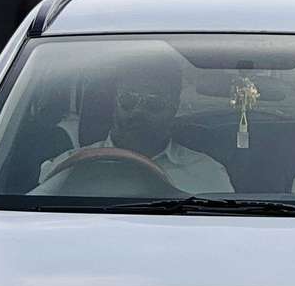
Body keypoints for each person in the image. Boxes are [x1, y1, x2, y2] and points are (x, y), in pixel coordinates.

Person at [40, 49, 233, 194]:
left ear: (174, 107)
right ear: (115, 102)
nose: (138, 111)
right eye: (128, 99)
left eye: (154, 103)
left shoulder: (207, 173)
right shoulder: (67, 168)